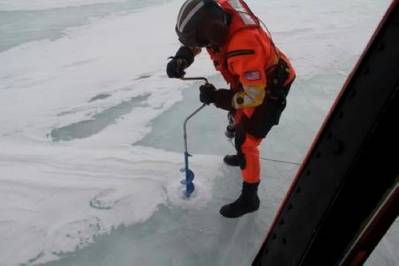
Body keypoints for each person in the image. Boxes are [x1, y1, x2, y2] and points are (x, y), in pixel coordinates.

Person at [166, 0, 296, 218]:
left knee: (246, 140)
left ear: (214, 36)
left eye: (204, 44)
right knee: (237, 119)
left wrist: (217, 97)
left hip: (271, 87)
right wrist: (182, 58)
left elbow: (254, 96)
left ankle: (250, 197)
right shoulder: (219, 14)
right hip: (255, 75)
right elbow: (202, 36)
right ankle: (241, 155)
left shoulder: (243, 47)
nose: (201, 47)